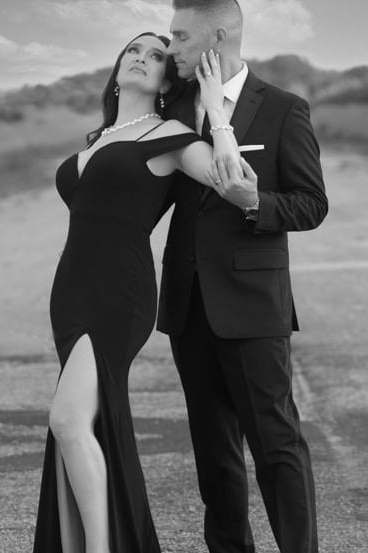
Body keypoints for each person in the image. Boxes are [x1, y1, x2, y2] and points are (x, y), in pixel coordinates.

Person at [33, 31, 240, 553]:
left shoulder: (169, 136)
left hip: (118, 292)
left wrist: (216, 114)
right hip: (71, 292)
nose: (142, 59)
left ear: (169, 79)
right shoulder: (96, 138)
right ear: (118, 64)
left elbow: (233, 181)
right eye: (135, 51)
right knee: (83, 426)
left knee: (68, 420)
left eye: (156, 57)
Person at [157, 0, 328, 553]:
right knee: (214, 456)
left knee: (277, 446)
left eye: (181, 35)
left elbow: (310, 204)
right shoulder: (175, 109)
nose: (171, 45)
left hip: (253, 305)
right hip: (188, 303)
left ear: (219, 35)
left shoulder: (281, 108)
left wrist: (254, 203)